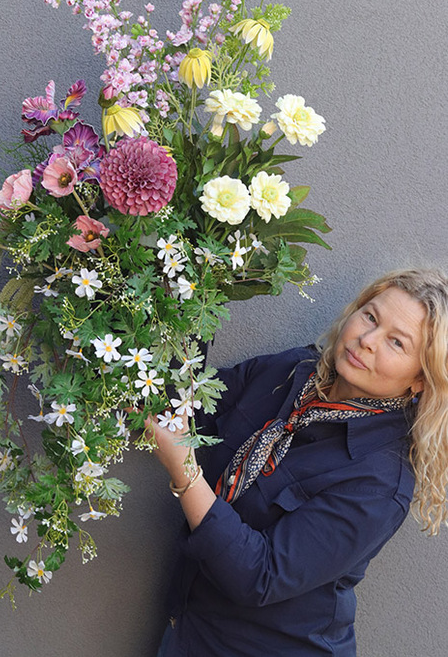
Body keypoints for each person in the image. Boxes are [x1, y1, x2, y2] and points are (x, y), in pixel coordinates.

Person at [149, 269, 448, 656]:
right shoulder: (292, 372)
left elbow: (261, 576)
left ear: (420, 380)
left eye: (396, 342)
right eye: (370, 317)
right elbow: (188, 406)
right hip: (190, 630)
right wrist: (179, 303)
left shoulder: (380, 482)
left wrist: (185, 472)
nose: (367, 340)